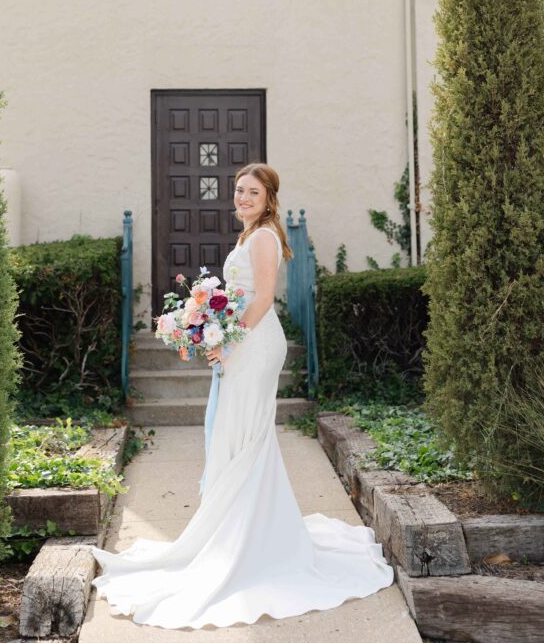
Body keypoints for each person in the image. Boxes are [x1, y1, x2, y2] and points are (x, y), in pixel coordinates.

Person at [89, 162, 394, 628]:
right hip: (242, 343)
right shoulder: (250, 235)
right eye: (238, 190)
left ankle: (247, 540)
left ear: (270, 198)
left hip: (254, 345)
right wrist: (208, 325)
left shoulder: (265, 237)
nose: (243, 198)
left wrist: (227, 341)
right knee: (238, 434)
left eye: (252, 192)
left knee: (243, 435)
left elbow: (264, 297)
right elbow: (236, 296)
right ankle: (239, 531)